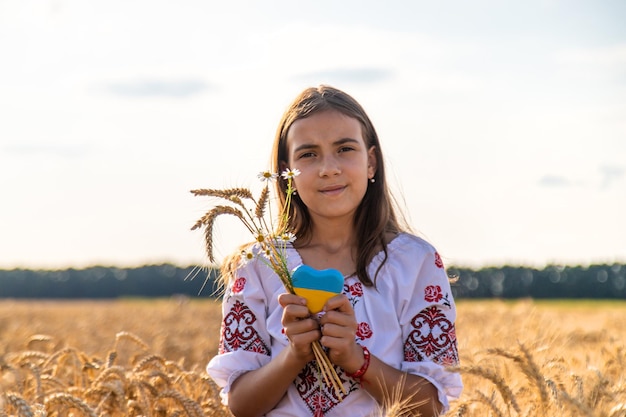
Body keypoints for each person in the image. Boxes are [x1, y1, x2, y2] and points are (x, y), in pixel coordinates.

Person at [206, 85, 462, 416]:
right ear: (287, 174)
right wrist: (295, 354)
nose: (329, 168)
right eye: (308, 154)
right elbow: (241, 404)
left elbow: (430, 405)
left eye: (344, 149)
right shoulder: (257, 264)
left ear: (371, 162)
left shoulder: (415, 263)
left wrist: (356, 359)